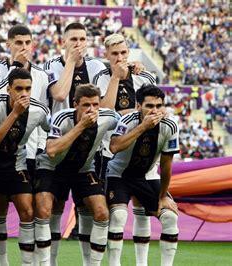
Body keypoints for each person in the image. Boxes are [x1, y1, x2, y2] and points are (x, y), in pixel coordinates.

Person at [42, 22, 108, 264]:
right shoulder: (52, 65)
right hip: (60, 143)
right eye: (73, 39)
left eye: (82, 39)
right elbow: (59, 94)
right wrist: (70, 61)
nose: (78, 44)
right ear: (63, 42)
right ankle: (52, 262)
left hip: (89, 150)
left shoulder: (97, 66)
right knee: (54, 209)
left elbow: (107, 102)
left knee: (90, 209)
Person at [34, 84, 119, 266]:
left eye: (95, 105)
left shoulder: (108, 117)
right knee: (45, 211)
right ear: (75, 104)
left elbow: (128, 121)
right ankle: (46, 263)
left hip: (83, 169)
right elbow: (51, 150)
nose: (92, 109)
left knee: (102, 212)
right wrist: (81, 126)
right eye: (86, 105)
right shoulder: (61, 118)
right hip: (52, 168)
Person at [0, 68, 51, 266]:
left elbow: (53, 129)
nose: (24, 93)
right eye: (18, 89)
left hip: (17, 164)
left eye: (28, 88)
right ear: (8, 89)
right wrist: (15, 113)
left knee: (27, 212)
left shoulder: (39, 110)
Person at [0, 24, 49, 265]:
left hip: (32, 150)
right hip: (3, 150)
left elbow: (44, 112)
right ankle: (3, 261)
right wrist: (14, 68)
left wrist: (44, 145)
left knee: (30, 209)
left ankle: (32, 261)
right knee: (0, 207)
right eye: (18, 43)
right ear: (9, 45)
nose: (23, 47)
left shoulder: (42, 75)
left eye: (27, 43)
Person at [93, 33, 156, 262]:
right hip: (110, 152)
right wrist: (115, 79)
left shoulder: (144, 76)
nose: (119, 57)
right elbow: (104, 113)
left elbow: (154, 111)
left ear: (128, 53)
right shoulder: (101, 77)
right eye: (114, 54)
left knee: (143, 210)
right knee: (115, 214)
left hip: (141, 153)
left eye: (123, 53)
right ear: (106, 55)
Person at [107, 84, 179, 266]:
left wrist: (163, 197)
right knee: (118, 217)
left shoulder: (169, 126)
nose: (155, 111)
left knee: (170, 217)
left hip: (147, 175)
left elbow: (167, 166)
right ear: (139, 106)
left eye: (159, 106)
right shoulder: (128, 121)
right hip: (119, 175)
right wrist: (143, 127)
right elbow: (114, 146)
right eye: (149, 106)